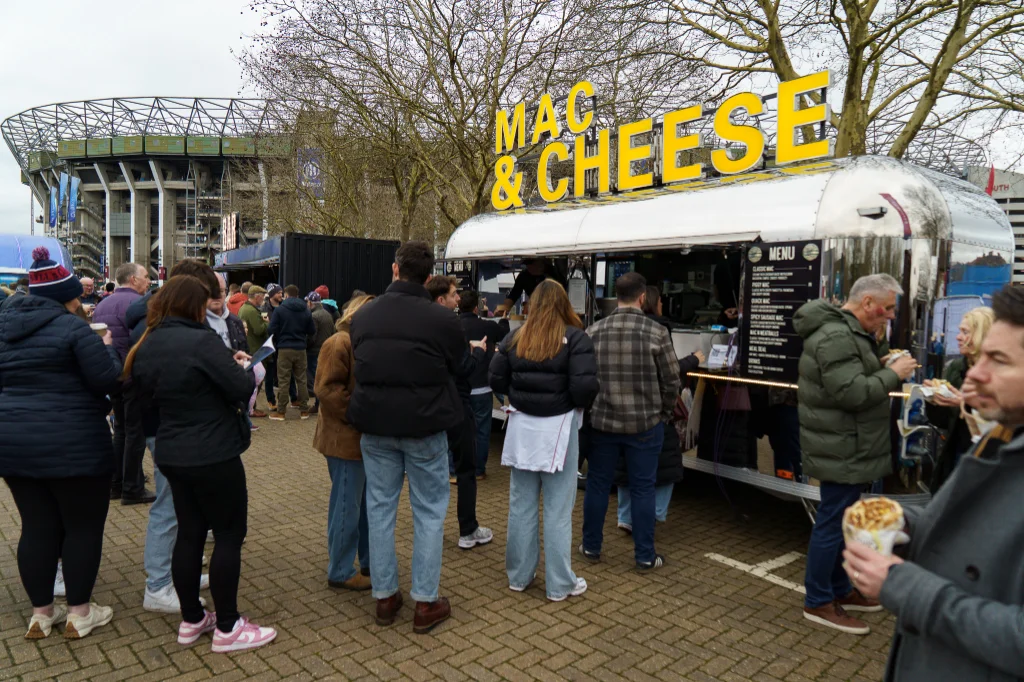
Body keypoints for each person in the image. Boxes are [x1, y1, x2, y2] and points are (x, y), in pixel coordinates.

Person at [842, 284, 1024, 681]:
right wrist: (904, 525)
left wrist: (901, 585)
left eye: (999, 360)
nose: (975, 372)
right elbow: (971, 537)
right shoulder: (998, 438)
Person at [128, 275, 276, 653]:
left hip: (172, 450)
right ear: (192, 305)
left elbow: (144, 396)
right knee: (228, 534)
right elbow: (241, 389)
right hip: (213, 452)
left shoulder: (147, 342)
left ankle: (192, 619)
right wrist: (240, 368)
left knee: (190, 533)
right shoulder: (200, 340)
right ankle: (228, 626)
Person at [0, 247, 121, 639]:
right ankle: (80, 613)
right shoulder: (74, 330)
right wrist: (110, 352)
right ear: (65, 297)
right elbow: (107, 380)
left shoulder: (4, 330)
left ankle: (41, 615)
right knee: (82, 529)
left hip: (15, 445)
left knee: (36, 527)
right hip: (76, 445)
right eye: (77, 296)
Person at [348, 241, 465, 634]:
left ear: (395, 270)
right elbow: (460, 365)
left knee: (380, 510)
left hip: (377, 426)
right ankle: (425, 602)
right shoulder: (443, 320)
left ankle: (385, 597)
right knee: (429, 512)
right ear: (429, 277)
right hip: (424, 426)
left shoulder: (364, 316)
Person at [792, 273, 918, 634]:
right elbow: (852, 393)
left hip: (849, 444)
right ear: (867, 303)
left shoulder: (848, 333)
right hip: (842, 446)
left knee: (841, 521)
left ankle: (839, 590)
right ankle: (818, 601)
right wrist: (893, 374)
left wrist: (880, 364)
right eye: (888, 308)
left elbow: (848, 380)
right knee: (832, 524)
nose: (890, 316)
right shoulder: (836, 335)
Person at [489, 280, 599, 600]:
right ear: (563, 304)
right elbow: (584, 387)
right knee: (557, 509)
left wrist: (517, 398)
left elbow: (495, 376)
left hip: (522, 427)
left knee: (521, 504)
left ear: (533, 305)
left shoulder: (515, 336)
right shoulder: (576, 338)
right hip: (560, 429)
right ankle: (559, 583)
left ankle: (519, 576)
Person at [125, 260, 218, 615]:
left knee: (182, 508)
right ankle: (159, 584)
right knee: (168, 507)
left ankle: (179, 574)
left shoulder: (155, 325)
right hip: (165, 429)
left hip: (166, 427)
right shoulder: (155, 330)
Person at [582, 272, 681, 570]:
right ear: (642, 297)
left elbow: (585, 379)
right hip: (645, 425)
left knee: (598, 485)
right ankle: (644, 555)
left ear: (616, 296)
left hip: (603, 423)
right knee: (643, 488)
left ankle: (590, 546)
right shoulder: (657, 332)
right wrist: (663, 413)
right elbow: (672, 380)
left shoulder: (594, 331)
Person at [614, 286, 703, 531]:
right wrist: (695, 360)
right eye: (661, 300)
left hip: (623, 407)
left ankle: (625, 516)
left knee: (626, 463)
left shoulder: (616, 325)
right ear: (650, 301)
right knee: (666, 462)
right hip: (653, 410)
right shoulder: (660, 329)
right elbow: (669, 371)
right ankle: (654, 514)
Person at [425, 276, 493, 550]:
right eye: (454, 295)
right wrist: (477, 353)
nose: (457, 299)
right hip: (457, 404)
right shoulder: (450, 325)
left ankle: (431, 530)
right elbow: (462, 368)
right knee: (466, 468)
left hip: (430, 406)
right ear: (441, 299)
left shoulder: (422, 326)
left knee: (433, 470)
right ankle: (468, 529)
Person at [314, 295, 376, 592]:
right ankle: (339, 570)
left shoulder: (361, 343)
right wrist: (360, 414)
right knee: (345, 507)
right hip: (344, 439)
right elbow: (327, 391)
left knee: (361, 505)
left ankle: (367, 561)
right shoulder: (340, 342)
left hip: (358, 438)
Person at [93, 262, 153, 504]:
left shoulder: (102, 304)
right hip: (133, 376)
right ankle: (132, 487)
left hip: (113, 375)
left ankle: (116, 484)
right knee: (135, 434)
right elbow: (141, 343)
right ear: (133, 279)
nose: (149, 281)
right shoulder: (137, 306)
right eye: (146, 277)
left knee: (120, 431)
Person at [927, 307, 994, 492]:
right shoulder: (956, 367)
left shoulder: (1000, 373)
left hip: (986, 457)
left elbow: (1003, 420)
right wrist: (933, 399)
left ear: (983, 335)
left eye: (965, 332)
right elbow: (942, 422)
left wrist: (965, 403)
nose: (957, 337)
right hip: (956, 453)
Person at [457, 290, 504, 478]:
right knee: (482, 430)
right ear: (477, 308)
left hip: (460, 388)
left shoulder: (453, 326)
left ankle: (456, 469)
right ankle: (478, 470)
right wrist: (504, 319)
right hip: (482, 388)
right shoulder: (487, 326)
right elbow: (504, 331)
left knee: (459, 430)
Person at [267, 285, 315, 421]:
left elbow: (271, 329)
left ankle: (281, 412)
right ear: (298, 295)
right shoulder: (305, 310)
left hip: (284, 348)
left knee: (283, 380)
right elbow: (312, 330)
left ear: (286, 295)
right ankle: (304, 411)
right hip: (301, 348)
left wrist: (279, 337)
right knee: (302, 379)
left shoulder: (280, 310)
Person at [260, 284, 296, 411]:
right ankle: (271, 400)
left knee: (288, 372)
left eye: (282, 292)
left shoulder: (285, 306)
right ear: (271, 294)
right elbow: (265, 327)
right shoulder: (264, 308)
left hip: (284, 344)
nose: (281, 294)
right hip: (271, 345)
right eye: (278, 292)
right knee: (270, 374)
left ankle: (294, 398)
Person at [238, 286, 269, 419]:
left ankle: (250, 408)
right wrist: (267, 323)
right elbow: (259, 330)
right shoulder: (251, 311)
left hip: (249, 348)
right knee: (255, 381)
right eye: (262, 296)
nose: (263, 299)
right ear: (257, 296)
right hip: (254, 349)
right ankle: (251, 409)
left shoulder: (245, 308)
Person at [495, 258, 564, 317]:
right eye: (526, 263)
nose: (528, 266)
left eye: (531, 263)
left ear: (541, 261)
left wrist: (533, 303)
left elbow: (558, 296)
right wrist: (503, 308)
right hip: (533, 315)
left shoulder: (553, 274)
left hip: (553, 313)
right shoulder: (524, 276)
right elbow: (513, 295)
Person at [306, 291, 335, 414]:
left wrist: (306, 346)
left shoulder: (314, 316)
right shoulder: (327, 314)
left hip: (314, 351)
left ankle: (318, 404)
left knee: (317, 379)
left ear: (310, 302)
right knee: (324, 377)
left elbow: (312, 336)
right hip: (326, 349)